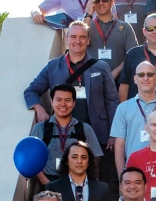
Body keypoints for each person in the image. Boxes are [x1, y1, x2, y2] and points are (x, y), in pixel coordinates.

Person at [24, 21, 119, 152]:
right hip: (63, 134)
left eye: (82, 37)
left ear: (88, 40)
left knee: (96, 171)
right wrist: (39, 109)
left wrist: (113, 133)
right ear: (67, 39)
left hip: (97, 134)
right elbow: (31, 91)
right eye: (73, 37)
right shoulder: (53, 66)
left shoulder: (101, 67)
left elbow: (112, 101)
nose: (78, 41)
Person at [111, 60, 156, 172]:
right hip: (134, 172)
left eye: (150, 74)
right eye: (141, 75)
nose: (146, 78)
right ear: (135, 79)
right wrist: (122, 178)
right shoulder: (123, 108)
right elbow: (119, 146)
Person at [30, 83, 103, 185]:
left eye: (67, 100)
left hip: (78, 185)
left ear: (73, 103)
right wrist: (47, 183)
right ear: (51, 102)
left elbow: (95, 159)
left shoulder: (85, 129)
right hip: (47, 183)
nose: (63, 104)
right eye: (58, 100)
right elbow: (32, 159)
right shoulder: (40, 129)